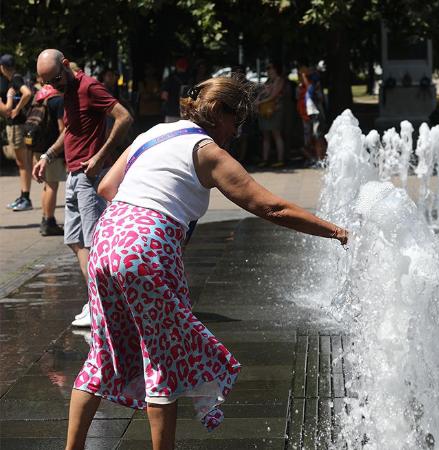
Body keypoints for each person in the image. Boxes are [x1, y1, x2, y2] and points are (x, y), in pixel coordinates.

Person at [61, 75, 349, 450]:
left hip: (106, 238)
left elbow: (105, 188)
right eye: (237, 120)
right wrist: (337, 231)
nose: (237, 130)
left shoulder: (153, 134)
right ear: (217, 112)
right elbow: (271, 207)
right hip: (146, 249)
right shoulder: (207, 150)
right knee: (163, 362)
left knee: (101, 353)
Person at [32, 49, 134, 328]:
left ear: (65, 65)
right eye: (48, 84)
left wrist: (100, 157)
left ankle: (103, 305)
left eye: (55, 80)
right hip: (73, 175)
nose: (54, 87)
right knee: (75, 241)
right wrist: (47, 156)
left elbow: (124, 117)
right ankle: (97, 301)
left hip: (90, 176)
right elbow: (70, 129)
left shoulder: (89, 87)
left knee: (92, 243)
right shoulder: (66, 91)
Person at [29, 82, 67, 236]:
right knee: (52, 185)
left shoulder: (40, 96)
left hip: (38, 147)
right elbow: (62, 128)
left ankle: (45, 218)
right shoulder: (58, 100)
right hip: (51, 149)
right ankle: (49, 221)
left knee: (46, 185)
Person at [1, 54, 34, 211]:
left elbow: (27, 93)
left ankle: (25, 198)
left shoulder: (15, 79)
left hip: (18, 126)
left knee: (23, 164)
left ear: (2, 67)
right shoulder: (16, 77)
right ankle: (23, 196)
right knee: (22, 163)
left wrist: (16, 109)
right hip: (20, 125)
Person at [254, 63, 286, 168]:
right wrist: (258, 100)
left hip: (275, 111)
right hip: (264, 111)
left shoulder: (279, 80)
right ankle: (265, 159)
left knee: (276, 135)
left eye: (270, 68)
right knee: (266, 136)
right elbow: (262, 93)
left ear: (276, 69)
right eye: (267, 69)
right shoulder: (268, 81)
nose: (268, 71)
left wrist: (259, 103)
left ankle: (280, 160)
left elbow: (274, 95)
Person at [297, 66, 326, 166]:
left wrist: (305, 75)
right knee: (310, 138)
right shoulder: (304, 86)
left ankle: (320, 160)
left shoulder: (314, 84)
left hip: (316, 113)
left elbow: (311, 90)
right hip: (309, 115)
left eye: (302, 75)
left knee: (317, 137)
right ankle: (314, 159)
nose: (300, 77)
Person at [161, 58, 191, 123]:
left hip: (171, 111)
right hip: (185, 111)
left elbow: (164, 96)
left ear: (176, 66)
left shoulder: (170, 78)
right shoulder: (190, 78)